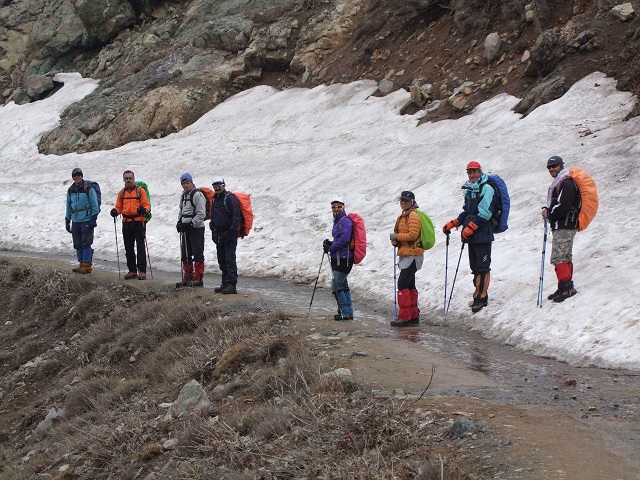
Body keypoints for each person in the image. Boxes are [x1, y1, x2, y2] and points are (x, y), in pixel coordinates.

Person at [442, 161, 497, 313]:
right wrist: (454, 223)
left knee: (482, 267)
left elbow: (485, 213)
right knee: (475, 267)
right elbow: (467, 212)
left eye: (474, 172)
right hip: (472, 235)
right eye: (469, 172)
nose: (472, 175)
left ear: (480, 172)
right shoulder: (470, 189)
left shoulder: (486, 188)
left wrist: (471, 227)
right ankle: (477, 295)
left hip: (483, 234)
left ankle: (481, 297)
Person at [542, 155, 579, 302]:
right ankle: (565, 286)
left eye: (554, 166)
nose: (552, 169)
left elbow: (564, 206)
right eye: (549, 167)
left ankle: (566, 288)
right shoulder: (562, 182)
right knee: (565, 256)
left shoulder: (566, 183)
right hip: (565, 224)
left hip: (565, 224)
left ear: (561, 166)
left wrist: (549, 213)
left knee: (559, 257)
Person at [389, 191, 424, 326]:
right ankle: (413, 315)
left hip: (412, 255)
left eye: (406, 200)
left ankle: (405, 317)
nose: (403, 202)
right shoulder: (405, 215)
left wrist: (396, 238)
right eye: (401, 200)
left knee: (403, 284)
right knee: (409, 285)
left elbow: (413, 235)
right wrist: (396, 241)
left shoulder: (413, 215)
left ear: (412, 201)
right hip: (408, 254)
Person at [110, 170, 150, 280]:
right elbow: (119, 207)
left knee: (140, 246)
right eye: (126, 178)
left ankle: (142, 271)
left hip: (138, 221)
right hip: (126, 222)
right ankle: (132, 270)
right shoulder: (121, 193)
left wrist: (144, 210)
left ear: (133, 178)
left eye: (130, 178)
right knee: (128, 247)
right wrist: (115, 211)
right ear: (123, 180)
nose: (128, 180)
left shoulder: (140, 191)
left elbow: (146, 205)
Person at [323, 198, 354, 321]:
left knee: (336, 286)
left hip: (344, 258)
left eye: (339, 207)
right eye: (334, 207)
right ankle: (347, 312)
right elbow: (340, 238)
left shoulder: (345, 221)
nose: (336, 209)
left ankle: (345, 313)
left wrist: (331, 247)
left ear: (344, 207)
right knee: (342, 285)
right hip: (340, 257)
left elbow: (345, 239)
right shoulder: (338, 221)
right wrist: (331, 244)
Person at [210, 176, 241, 294]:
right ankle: (224, 282)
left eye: (219, 186)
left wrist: (230, 232)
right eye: (215, 186)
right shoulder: (215, 199)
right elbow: (213, 216)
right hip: (219, 234)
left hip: (229, 234)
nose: (217, 188)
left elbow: (236, 218)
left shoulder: (230, 199)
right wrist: (213, 229)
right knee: (221, 259)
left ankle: (232, 285)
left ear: (224, 186)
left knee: (229, 259)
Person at [65, 167, 99, 274]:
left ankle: (87, 265)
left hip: (86, 219)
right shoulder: (70, 190)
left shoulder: (88, 188)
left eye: (79, 174)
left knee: (86, 242)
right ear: (73, 177)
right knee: (78, 243)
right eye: (75, 175)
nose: (77, 177)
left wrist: (93, 219)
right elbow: (68, 206)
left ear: (82, 175)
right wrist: (67, 219)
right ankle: (81, 264)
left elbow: (94, 204)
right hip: (75, 220)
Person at [176, 173, 206, 287]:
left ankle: (198, 277)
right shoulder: (183, 196)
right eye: (183, 183)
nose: (185, 185)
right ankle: (188, 276)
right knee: (186, 253)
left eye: (187, 183)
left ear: (191, 182)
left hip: (196, 228)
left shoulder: (197, 194)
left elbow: (201, 213)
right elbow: (181, 211)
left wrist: (192, 224)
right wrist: (179, 222)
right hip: (186, 228)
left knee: (197, 253)